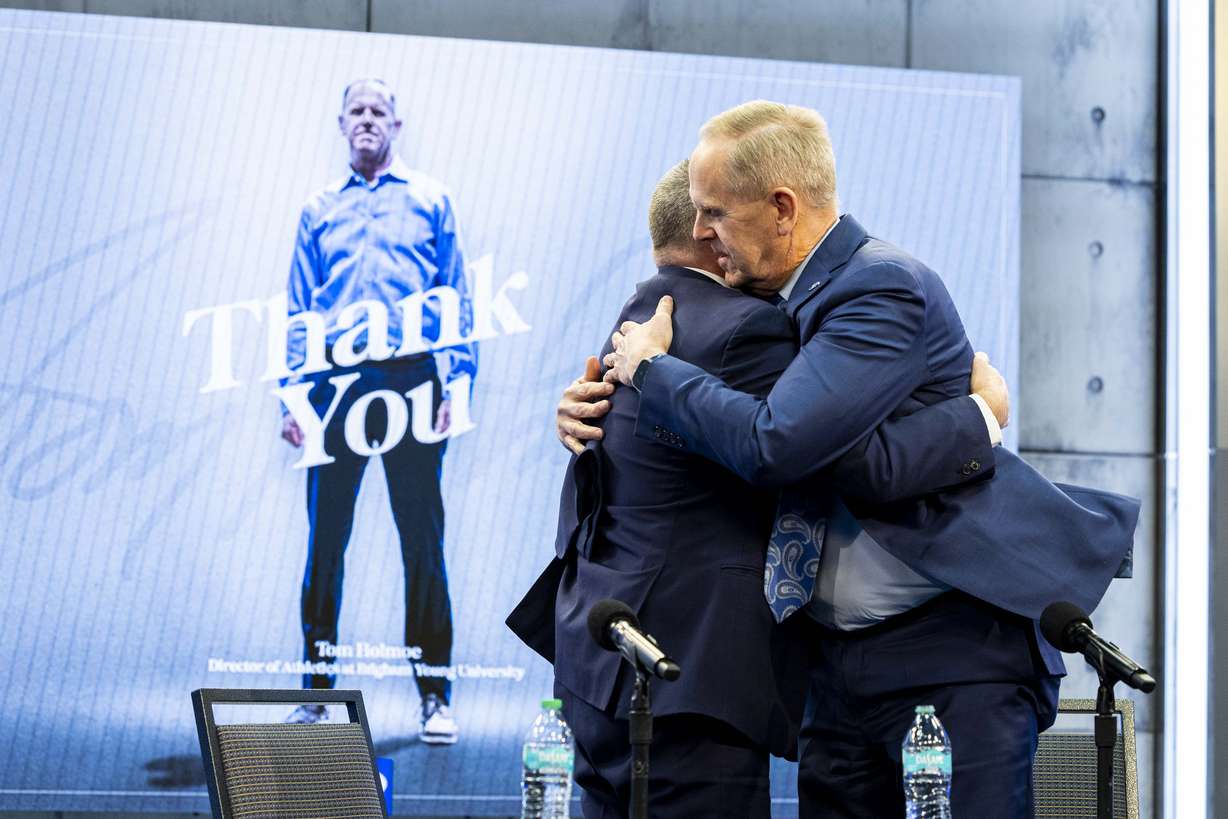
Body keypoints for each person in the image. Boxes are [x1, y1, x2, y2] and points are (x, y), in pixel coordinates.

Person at [586, 101, 1138, 816]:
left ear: (782, 207)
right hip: (836, 666)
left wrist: (655, 372)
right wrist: (592, 394)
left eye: (714, 213)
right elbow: (851, 461)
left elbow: (777, 444)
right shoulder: (771, 305)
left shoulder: (878, 287)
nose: (700, 232)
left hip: (951, 653)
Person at [509, 161, 1012, 818]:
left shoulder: (634, 321)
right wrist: (979, 416)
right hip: (688, 680)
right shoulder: (748, 329)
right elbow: (825, 449)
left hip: (595, 667)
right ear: (715, 239)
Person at [279, 79, 476, 745]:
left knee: (422, 543)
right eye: (356, 112)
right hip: (336, 385)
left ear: (396, 122)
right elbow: (301, 308)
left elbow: (456, 298)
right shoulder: (318, 210)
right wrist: (292, 395)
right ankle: (316, 693)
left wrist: (460, 384)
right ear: (342, 125)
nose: (367, 121)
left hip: (413, 382)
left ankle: (435, 697)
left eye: (378, 112)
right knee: (325, 542)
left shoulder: (430, 201)